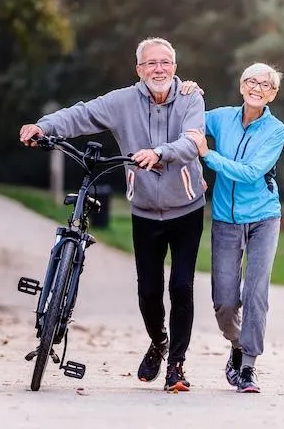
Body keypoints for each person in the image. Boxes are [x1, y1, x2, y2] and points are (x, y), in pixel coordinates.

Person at [18, 37, 207, 393]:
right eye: (150, 63)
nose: (159, 69)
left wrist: (160, 152)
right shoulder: (122, 101)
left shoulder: (191, 98)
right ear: (139, 70)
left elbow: (192, 141)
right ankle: (159, 342)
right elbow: (82, 113)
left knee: (181, 286)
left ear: (175, 67)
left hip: (186, 209)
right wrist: (43, 126)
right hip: (146, 210)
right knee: (149, 292)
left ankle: (177, 367)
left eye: (165, 62)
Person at [183, 63, 284, 393]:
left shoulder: (276, 130)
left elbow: (251, 172)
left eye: (266, 84)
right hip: (226, 220)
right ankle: (238, 344)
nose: (258, 87)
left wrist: (207, 156)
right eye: (251, 81)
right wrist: (187, 91)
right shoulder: (221, 117)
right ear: (242, 86)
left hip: (264, 218)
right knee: (225, 302)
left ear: (273, 94)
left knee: (255, 294)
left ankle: (247, 367)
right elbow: (188, 122)